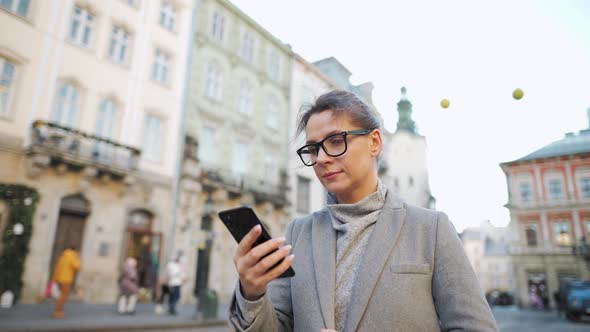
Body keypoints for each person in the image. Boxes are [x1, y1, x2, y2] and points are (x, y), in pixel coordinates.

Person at [228, 90, 498, 331]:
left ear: (375, 143)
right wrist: (252, 293)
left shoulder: (431, 229)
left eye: (335, 141)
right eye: (312, 149)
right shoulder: (299, 233)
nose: (320, 158)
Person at [51, 246, 80, 318]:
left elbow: (58, 268)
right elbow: (77, 266)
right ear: (74, 250)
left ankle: (58, 310)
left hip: (60, 279)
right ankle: (58, 312)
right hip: (66, 279)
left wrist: (54, 279)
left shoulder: (63, 256)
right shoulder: (72, 256)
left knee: (62, 295)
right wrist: (77, 257)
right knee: (64, 295)